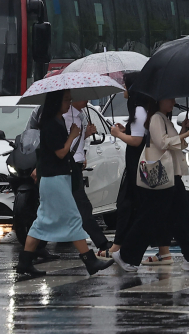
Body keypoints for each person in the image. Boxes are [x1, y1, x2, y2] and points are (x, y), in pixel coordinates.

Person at [14, 90, 116, 278]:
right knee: (73, 217)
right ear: (55, 103)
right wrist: (73, 135)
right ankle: (90, 260)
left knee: (42, 221)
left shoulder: (58, 121)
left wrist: (75, 136)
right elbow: (60, 152)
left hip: (58, 177)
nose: (69, 103)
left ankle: (25, 262)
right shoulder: (51, 124)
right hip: (54, 179)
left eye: (70, 100)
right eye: (66, 100)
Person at [114, 96, 189, 271]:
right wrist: (187, 133)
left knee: (179, 217)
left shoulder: (164, 119)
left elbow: (175, 143)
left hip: (172, 175)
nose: (173, 102)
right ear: (158, 101)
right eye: (169, 99)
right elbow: (162, 143)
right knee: (150, 217)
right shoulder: (156, 117)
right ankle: (125, 254)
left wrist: (183, 129)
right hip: (161, 176)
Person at [104, 88, 169, 264]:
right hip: (139, 163)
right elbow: (138, 133)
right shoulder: (142, 108)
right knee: (138, 206)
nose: (123, 90)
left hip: (137, 165)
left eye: (125, 86)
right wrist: (126, 130)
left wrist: (119, 135)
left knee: (131, 205)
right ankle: (162, 250)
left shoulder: (139, 109)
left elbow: (137, 140)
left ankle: (119, 248)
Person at [62, 97, 110, 255]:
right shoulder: (65, 116)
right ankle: (101, 244)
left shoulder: (81, 115)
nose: (86, 99)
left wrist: (86, 135)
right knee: (82, 206)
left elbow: (77, 142)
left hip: (76, 163)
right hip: (68, 165)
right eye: (81, 96)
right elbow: (64, 144)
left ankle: (33, 249)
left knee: (68, 208)